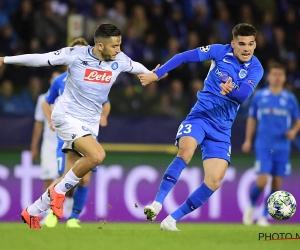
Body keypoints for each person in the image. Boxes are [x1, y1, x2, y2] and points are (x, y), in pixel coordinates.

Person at [0, 23, 163, 229]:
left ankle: (31, 212)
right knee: (96, 156)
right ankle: (58, 193)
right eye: (114, 46)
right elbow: (41, 59)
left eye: (120, 44)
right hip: (66, 116)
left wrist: (152, 73)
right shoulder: (76, 54)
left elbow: (136, 66)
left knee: (70, 174)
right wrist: (5, 59)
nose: (119, 50)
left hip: (89, 123)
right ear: (101, 46)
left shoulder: (119, 59)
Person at [138, 23, 264, 231]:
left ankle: (171, 220)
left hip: (223, 129)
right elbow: (184, 57)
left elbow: (242, 95)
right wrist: (158, 74)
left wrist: (231, 90)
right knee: (186, 151)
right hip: (200, 117)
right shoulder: (219, 52)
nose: (246, 48)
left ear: (255, 44)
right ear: (233, 43)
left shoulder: (256, 68)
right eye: (241, 44)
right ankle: (157, 203)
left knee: (214, 181)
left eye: (250, 44)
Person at [41, 38, 111, 228]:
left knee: (84, 178)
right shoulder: (59, 81)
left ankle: (74, 218)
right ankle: (52, 213)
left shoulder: (95, 77)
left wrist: (103, 116)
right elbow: (46, 102)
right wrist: (49, 120)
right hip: (66, 135)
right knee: (66, 177)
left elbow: (106, 103)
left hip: (88, 134)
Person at [242, 63, 300, 226]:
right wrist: (248, 140)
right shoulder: (260, 96)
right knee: (261, 181)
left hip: (282, 146)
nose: (276, 77)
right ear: (269, 76)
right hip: (264, 145)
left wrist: (294, 132)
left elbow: (297, 122)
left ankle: (263, 216)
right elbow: (252, 119)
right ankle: (252, 206)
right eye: (274, 74)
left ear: (284, 78)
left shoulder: (290, 99)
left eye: (279, 74)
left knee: (276, 184)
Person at [31, 71, 61, 192]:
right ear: (50, 81)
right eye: (54, 79)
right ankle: (48, 210)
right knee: (48, 180)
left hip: (65, 145)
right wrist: (34, 146)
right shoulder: (42, 99)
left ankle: (67, 210)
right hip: (48, 145)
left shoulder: (69, 99)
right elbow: (38, 124)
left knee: (65, 182)